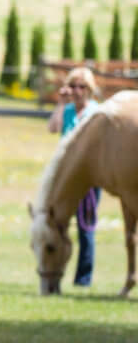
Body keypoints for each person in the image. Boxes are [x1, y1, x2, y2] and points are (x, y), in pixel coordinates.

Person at [46, 66, 101, 286]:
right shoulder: (67, 111)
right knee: (57, 226)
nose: (77, 91)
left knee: (85, 228)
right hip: (65, 177)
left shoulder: (97, 112)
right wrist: (60, 103)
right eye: (73, 86)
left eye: (82, 86)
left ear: (89, 89)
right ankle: (55, 272)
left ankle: (83, 279)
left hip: (88, 178)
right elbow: (52, 128)